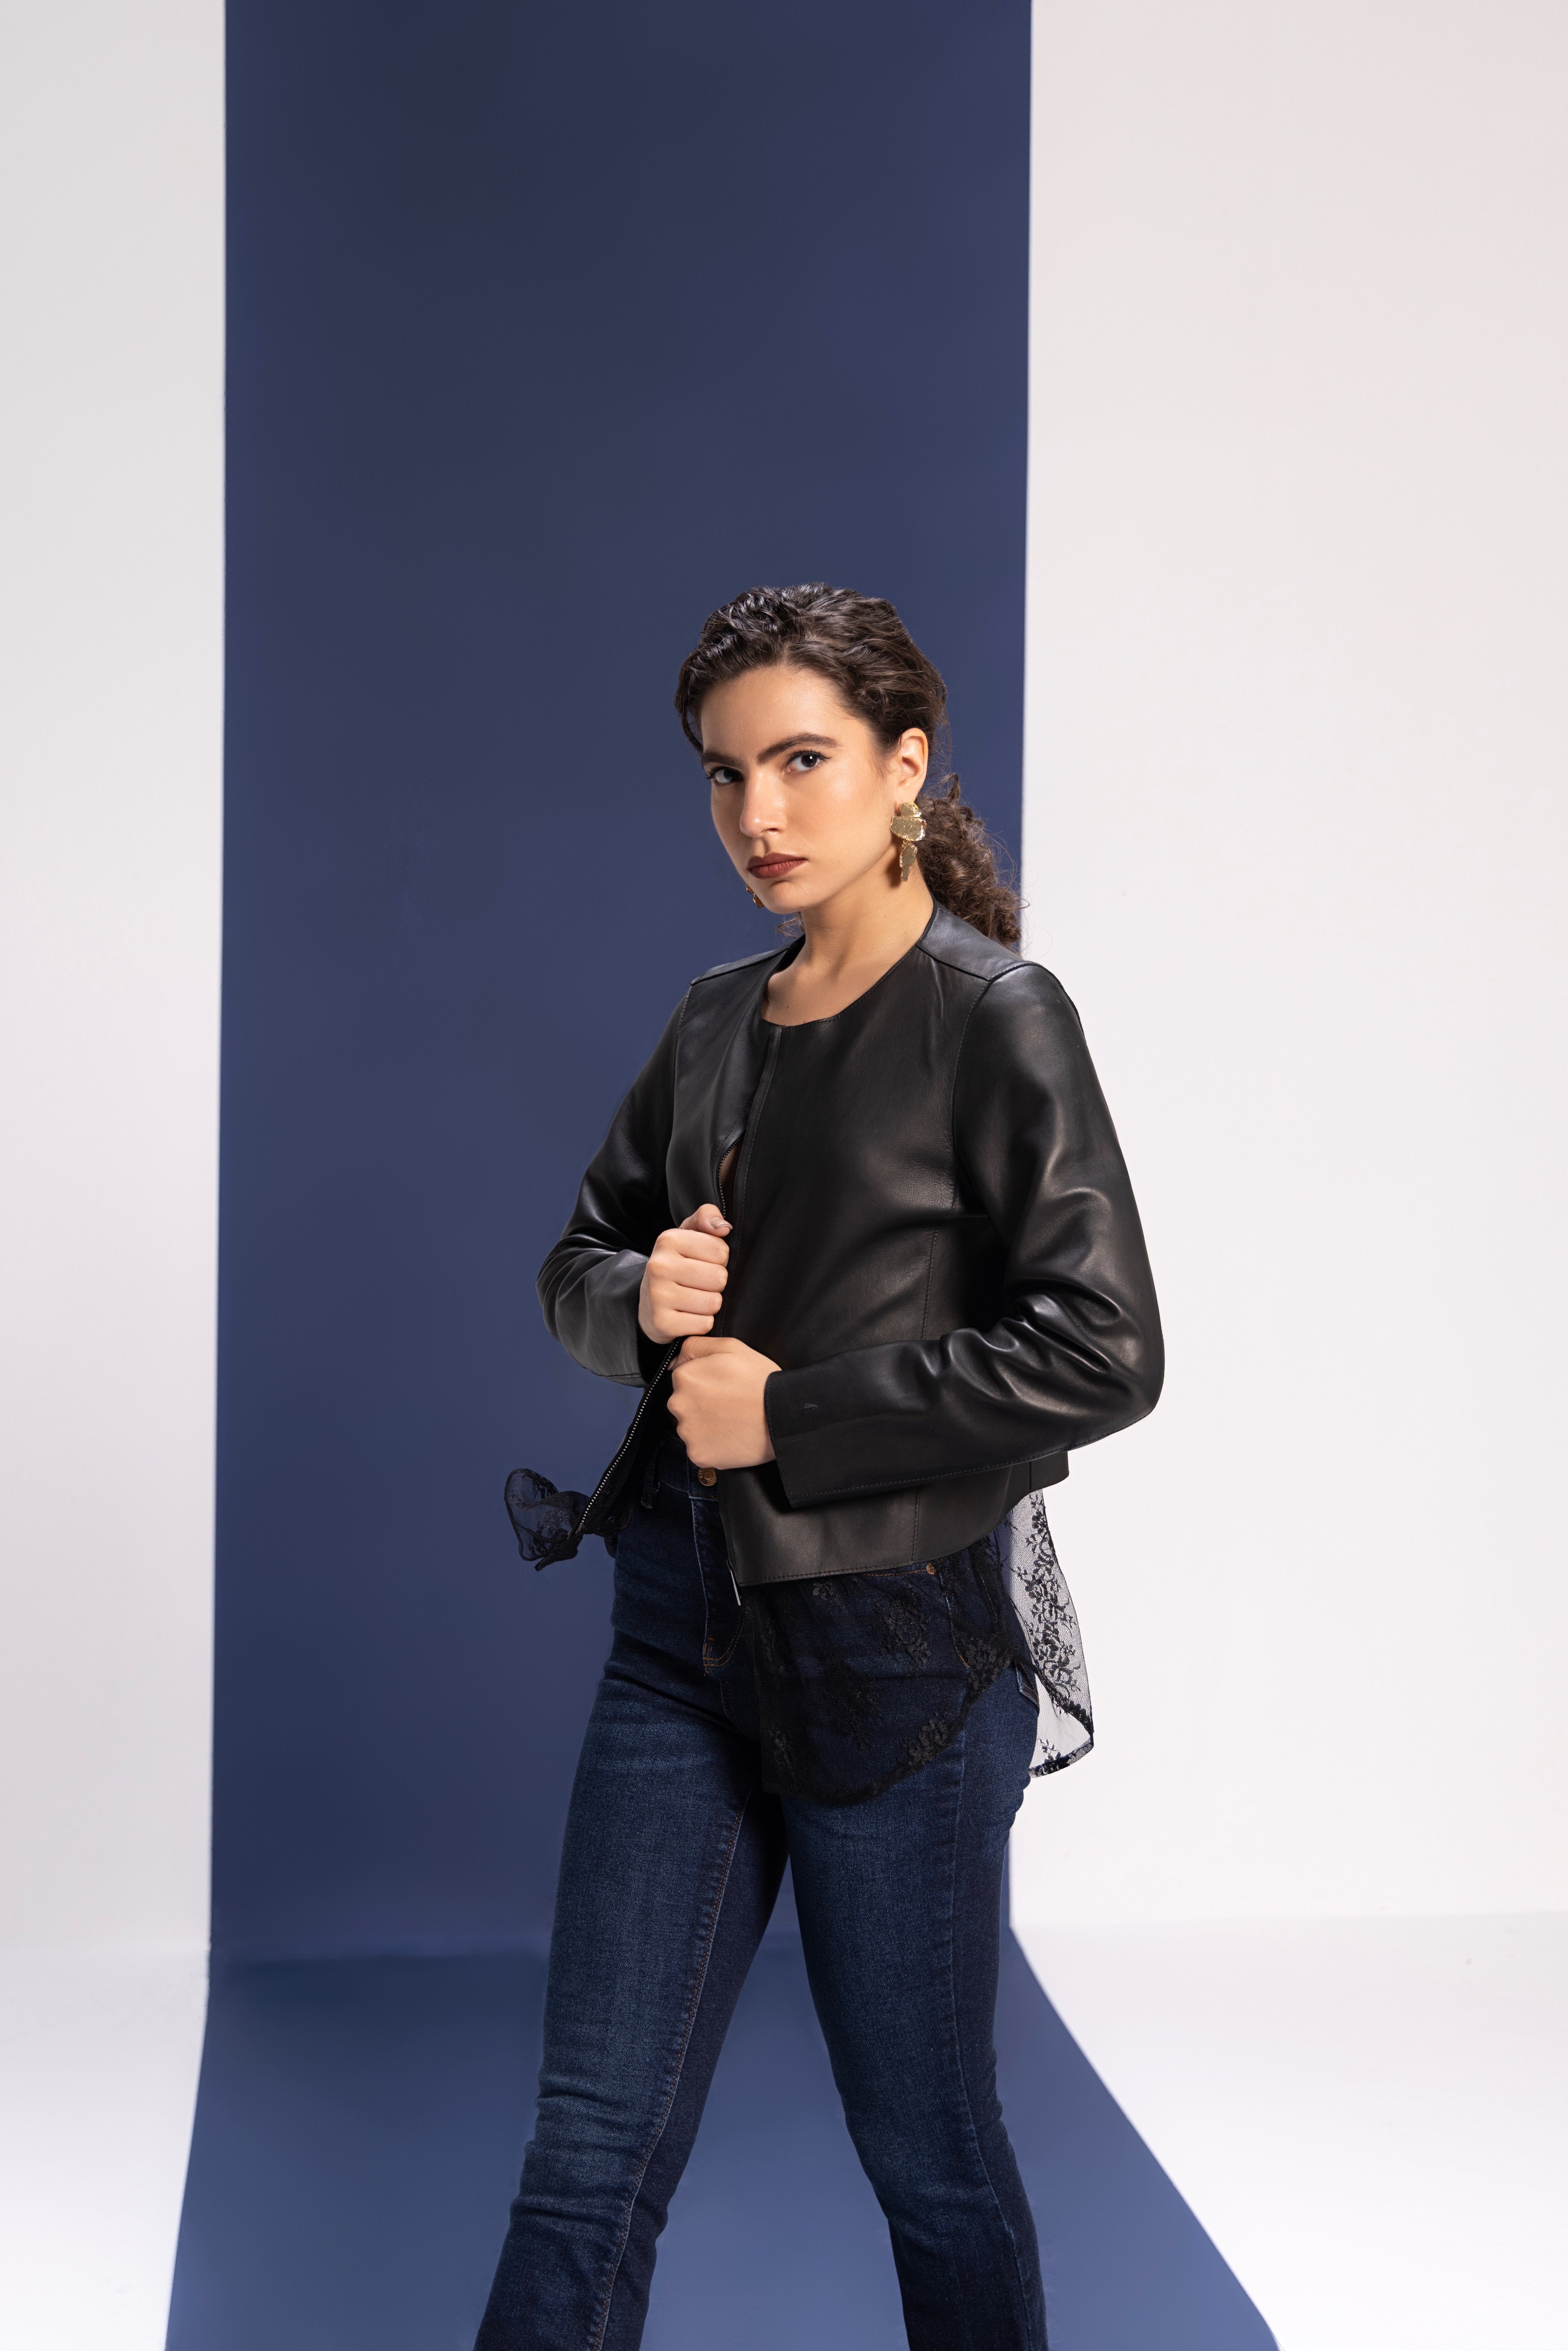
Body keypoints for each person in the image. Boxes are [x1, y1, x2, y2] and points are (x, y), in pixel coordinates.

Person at [476, 583, 1162, 2351]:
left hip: (898, 1652)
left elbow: (1104, 1350)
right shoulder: (715, 1018)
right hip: (675, 1636)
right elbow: (578, 1260)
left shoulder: (995, 1014)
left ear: (903, 766)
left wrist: (791, 1416)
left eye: (801, 762)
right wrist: (636, 1301)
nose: (757, 815)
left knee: (927, 2157)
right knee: (586, 2153)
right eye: (726, 776)